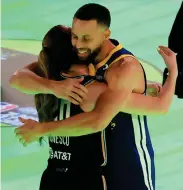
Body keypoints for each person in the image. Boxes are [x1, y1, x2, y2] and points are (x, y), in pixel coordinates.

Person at [10, 4, 178, 190]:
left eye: (85, 38)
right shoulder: (91, 88)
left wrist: (53, 87)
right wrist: (173, 72)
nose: (79, 44)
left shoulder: (49, 70)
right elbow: (158, 107)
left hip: (59, 174)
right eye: (74, 38)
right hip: (119, 171)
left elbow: (16, 78)